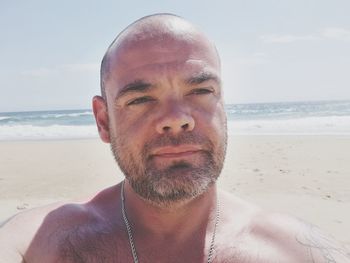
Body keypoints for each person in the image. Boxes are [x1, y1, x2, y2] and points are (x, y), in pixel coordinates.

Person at [0, 13, 349, 263]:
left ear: (222, 107)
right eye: (140, 99)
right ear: (104, 121)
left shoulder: (300, 252)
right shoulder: (38, 242)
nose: (177, 119)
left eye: (199, 91)